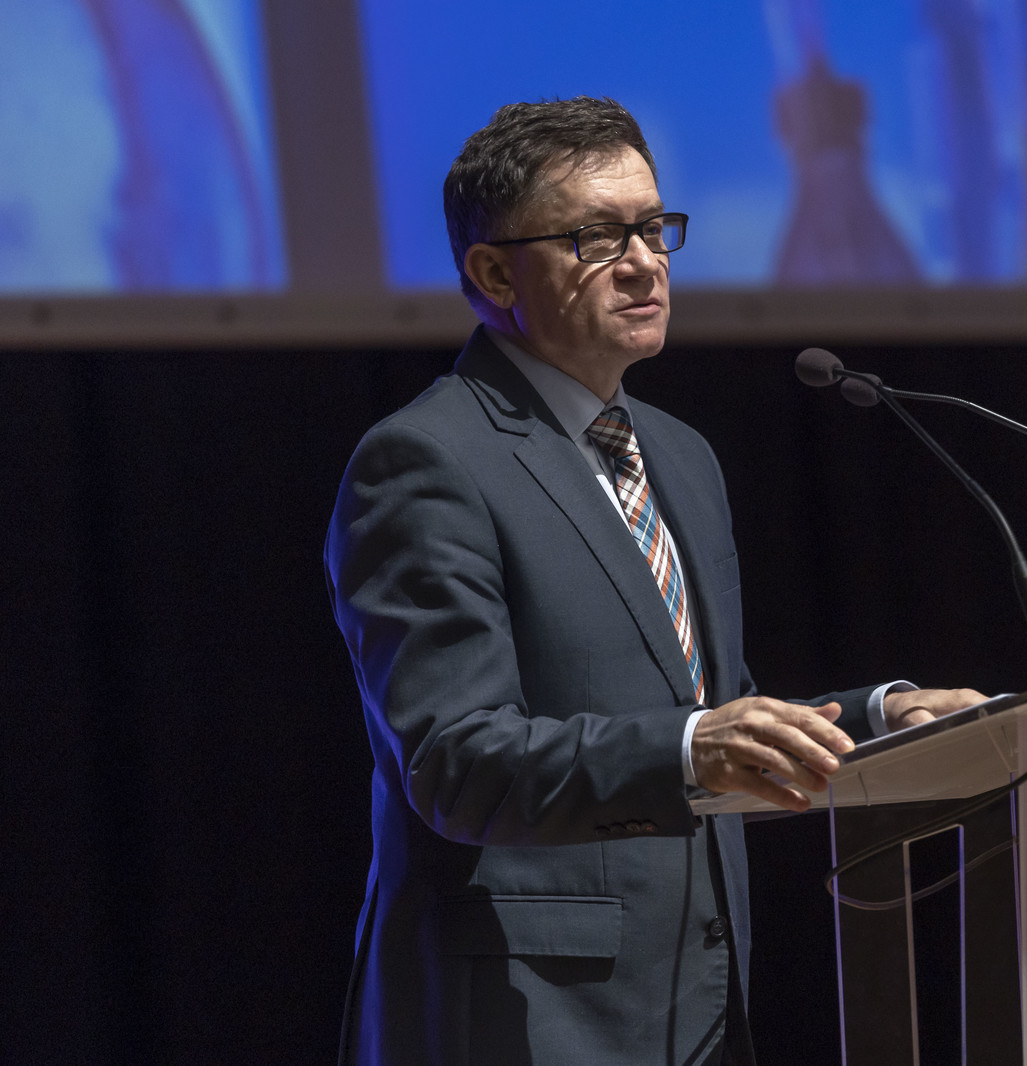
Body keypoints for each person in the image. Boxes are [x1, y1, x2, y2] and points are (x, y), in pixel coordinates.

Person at [324, 97, 980, 1066]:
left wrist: (881, 718)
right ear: (494, 273)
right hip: (527, 1017)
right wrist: (688, 748)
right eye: (596, 238)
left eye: (652, 227)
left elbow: (715, 711)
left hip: (696, 1001)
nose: (642, 262)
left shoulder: (679, 455)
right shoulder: (427, 461)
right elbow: (456, 763)